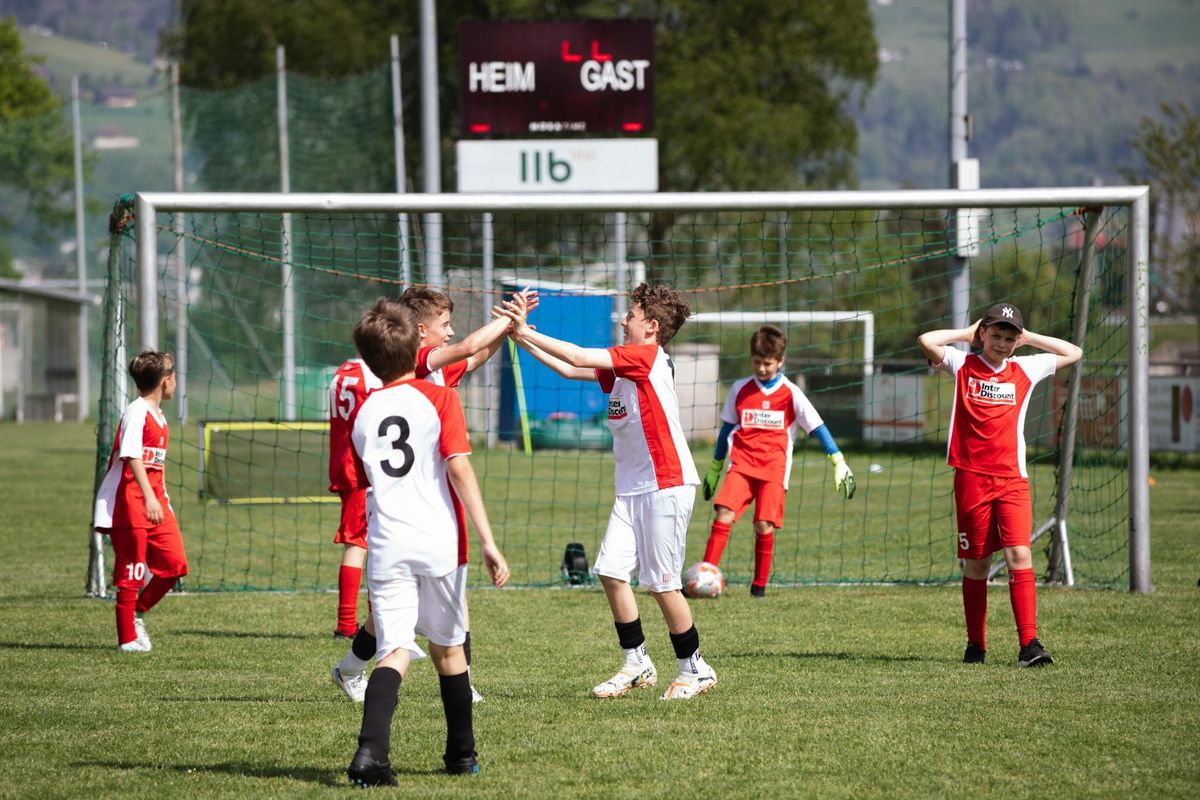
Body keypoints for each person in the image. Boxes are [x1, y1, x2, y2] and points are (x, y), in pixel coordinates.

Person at [500, 283, 717, 701]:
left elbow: (579, 355)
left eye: (631, 315)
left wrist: (525, 330)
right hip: (632, 489)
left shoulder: (645, 357)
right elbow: (570, 369)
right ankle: (637, 663)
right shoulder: (624, 367)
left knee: (662, 584)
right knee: (612, 572)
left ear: (651, 327)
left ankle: (695, 668)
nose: (622, 319)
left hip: (665, 484)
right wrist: (519, 336)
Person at [332, 287, 534, 704]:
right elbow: (468, 345)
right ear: (421, 332)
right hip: (414, 500)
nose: (451, 332)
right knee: (433, 604)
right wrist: (510, 318)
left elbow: (476, 355)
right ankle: (463, 682)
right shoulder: (421, 362)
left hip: (433, 497)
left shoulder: (440, 369)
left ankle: (350, 668)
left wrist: (507, 333)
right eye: (444, 325)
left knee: (397, 611)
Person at [344, 298, 511, 785]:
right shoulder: (440, 400)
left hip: (386, 543)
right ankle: (461, 754)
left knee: (394, 650)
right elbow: (459, 469)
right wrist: (489, 541)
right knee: (449, 649)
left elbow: (366, 478)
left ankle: (371, 755)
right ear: (415, 343)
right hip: (438, 539)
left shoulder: (364, 412)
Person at [917, 303, 1082, 667]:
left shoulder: (1024, 367)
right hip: (971, 478)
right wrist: (965, 334)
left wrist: (1029, 339)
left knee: (1019, 555)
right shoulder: (963, 364)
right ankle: (975, 645)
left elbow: (1074, 352)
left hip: (1011, 480)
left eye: (1009, 337)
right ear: (983, 335)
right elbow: (926, 341)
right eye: (995, 335)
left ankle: (1030, 645)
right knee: (977, 563)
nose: (1002, 343)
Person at [699, 325, 856, 598]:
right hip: (742, 465)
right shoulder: (740, 389)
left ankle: (758, 587)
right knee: (723, 512)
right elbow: (726, 430)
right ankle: (705, 577)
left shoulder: (791, 392)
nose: (762, 368)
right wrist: (714, 468)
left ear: (780, 361)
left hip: (774, 469)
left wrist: (838, 460)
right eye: (757, 362)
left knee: (764, 524)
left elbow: (817, 427)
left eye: (768, 363)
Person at [93, 350, 188, 652]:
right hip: (132, 503)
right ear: (165, 381)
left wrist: (162, 499)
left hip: (157, 502)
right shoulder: (137, 411)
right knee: (131, 571)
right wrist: (148, 497)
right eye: (172, 374)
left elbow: (154, 465)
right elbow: (130, 454)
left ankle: (137, 613)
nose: (175, 380)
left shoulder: (159, 415)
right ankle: (127, 640)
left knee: (174, 565)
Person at [328, 356, 382, 640]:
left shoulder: (343, 369)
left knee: (363, 541)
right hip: (361, 468)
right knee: (360, 543)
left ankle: (367, 620)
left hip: (342, 460)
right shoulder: (373, 374)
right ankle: (348, 624)